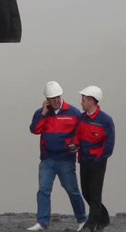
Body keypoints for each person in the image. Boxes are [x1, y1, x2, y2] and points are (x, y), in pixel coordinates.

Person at [27, 81, 87, 231]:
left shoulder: (73, 113)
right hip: (47, 159)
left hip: (66, 160)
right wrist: (42, 113)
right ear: (47, 99)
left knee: (72, 190)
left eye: (58, 97)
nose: (56, 100)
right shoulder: (41, 113)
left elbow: (81, 133)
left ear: (61, 96)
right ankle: (42, 222)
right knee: (43, 191)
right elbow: (34, 130)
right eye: (52, 98)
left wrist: (76, 145)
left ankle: (82, 220)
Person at [71, 86, 115, 232]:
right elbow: (77, 136)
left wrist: (99, 158)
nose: (81, 103)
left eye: (83, 100)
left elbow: (109, 144)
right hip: (84, 160)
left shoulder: (106, 120)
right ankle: (104, 218)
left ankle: (91, 225)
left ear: (91, 101)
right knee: (86, 193)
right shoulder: (82, 118)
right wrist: (75, 145)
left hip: (98, 162)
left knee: (95, 194)